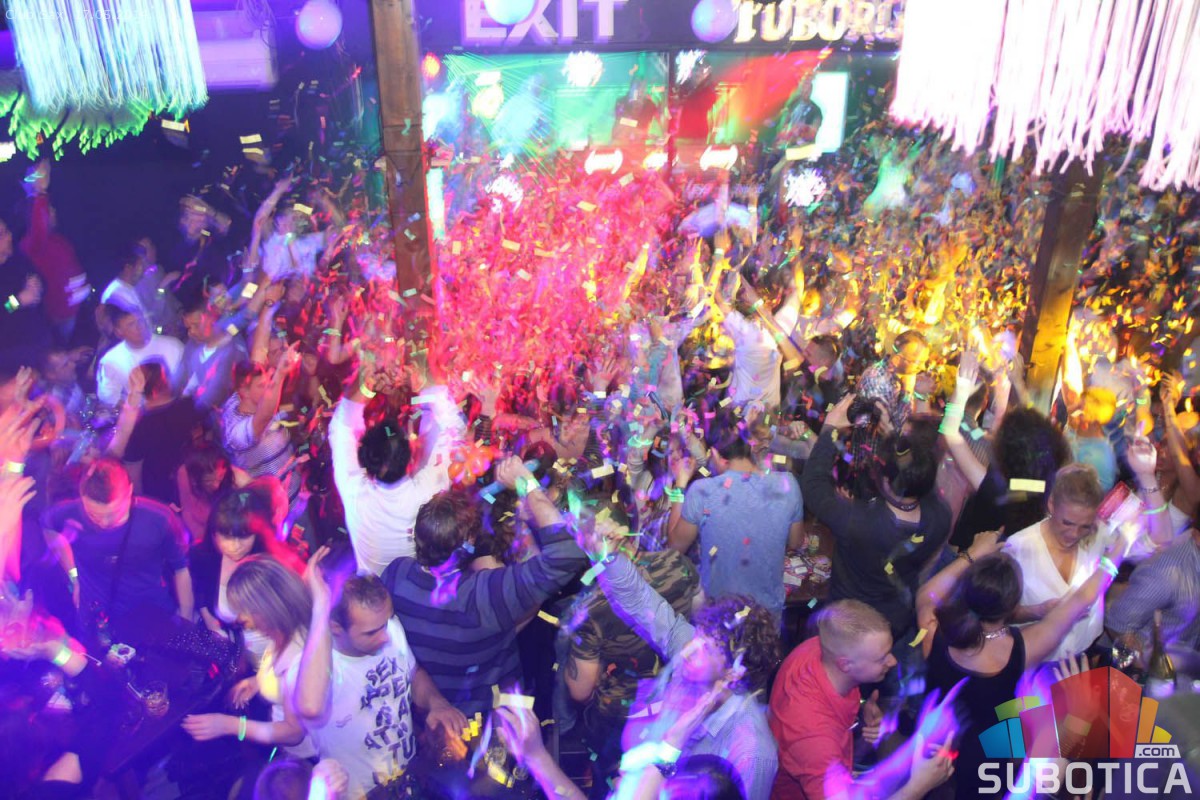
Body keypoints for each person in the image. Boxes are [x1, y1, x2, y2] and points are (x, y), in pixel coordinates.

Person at [916, 530, 1129, 798]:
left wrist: (974, 553)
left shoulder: (933, 628)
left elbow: (926, 594)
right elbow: (1081, 599)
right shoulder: (1023, 648)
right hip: (985, 761)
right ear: (1012, 605)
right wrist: (1116, 555)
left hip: (931, 746)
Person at [585, 520, 782, 800]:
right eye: (698, 634)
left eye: (707, 649)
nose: (689, 649)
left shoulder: (752, 751)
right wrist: (607, 556)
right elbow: (642, 602)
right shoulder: (691, 651)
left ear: (734, 673)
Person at [380, 458, 591, 716]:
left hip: (431, 716)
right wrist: (526, 482)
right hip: (491, 722)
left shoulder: (396, 575)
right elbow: (568, 554)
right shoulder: (483, 594)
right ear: (469, 541)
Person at [294, 546, 467, 799]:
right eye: (371, 632)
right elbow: (309, 707)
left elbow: (413, 673)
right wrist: (320, 606)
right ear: (335, 626)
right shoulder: (314, 668)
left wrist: (436, 702)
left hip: (410, 778)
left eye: (386, 622)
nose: (385, 636)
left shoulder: (389, 628)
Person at [563, 494, 700, 792]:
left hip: (621, 721)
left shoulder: (589, 607)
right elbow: (700, 618)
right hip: (677, 708)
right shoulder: (678, 563)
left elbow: (580, 690)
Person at [769, 599, 953, 800]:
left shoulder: (817, 648)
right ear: (845, 665)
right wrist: (918, 786)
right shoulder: (816, 742)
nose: (893, 661)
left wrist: (858, 706)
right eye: (881, 658)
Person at [801, 394, 950, 640]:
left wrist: (830, 428)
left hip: (849, 622)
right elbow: (918, 472)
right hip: (894, 619)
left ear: (885, 482)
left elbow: (813, 485)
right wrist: (893, 437)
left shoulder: (857, 521)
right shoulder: (940, 517)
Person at [328, 362, 465, 575]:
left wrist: (365, 385)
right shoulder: (428, 493)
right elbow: (453, 428)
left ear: (364, 458)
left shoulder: (352, 490)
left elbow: (341, 425)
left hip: (370, 590)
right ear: (409, 455)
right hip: (414, 586)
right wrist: (421, 383)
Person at [40, 458, 192, 646]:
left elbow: (181, 569)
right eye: (93, 515)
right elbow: (48, 526)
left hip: (150, 615)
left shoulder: (159, 518)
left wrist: (186, 619)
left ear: (129, 492)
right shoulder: (69, 512)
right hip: (96, 620)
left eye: (113, 514)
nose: (104, 523)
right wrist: (74, 575)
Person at [668, 422, 804, 620]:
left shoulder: (701, 490)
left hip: (719, 616)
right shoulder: (787, 484)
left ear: (716, 455)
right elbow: (796, 542)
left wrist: (680, 484)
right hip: (766, 614)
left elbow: (674, 546)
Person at [182, 556, 312, 753]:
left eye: (243, 610)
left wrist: (229, 725)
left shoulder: (297, 658)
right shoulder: (283, 631)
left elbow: (294, 733)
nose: (240, 619)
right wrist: (258, 681)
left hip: (304, 756)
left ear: (266, 606)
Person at [1002, 463, 1125, 660]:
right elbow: (997, 615)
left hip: (1084, 653)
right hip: (1036, 662)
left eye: (1084, 526)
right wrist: (1038, 611)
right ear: (1051, 504)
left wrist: (1147, 477)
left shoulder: (1100, 533)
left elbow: (1158, 541)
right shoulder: (1019, 547)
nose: (1074, 534)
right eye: (1067, 523)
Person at [189, 489, 300, 657]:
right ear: (214, 533)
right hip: (230, 653)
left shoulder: (272, 566)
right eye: (226, 536)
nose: (235, 546)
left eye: (244, 536)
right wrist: (211, 623)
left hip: (270, 652)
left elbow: (291, 620)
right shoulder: (204, 558)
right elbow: (200, 592)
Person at [106, 362, 205, 504]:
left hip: (158, 495)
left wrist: (142, 504)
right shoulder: (190, 405)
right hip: (192, 486)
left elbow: (133, 470)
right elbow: (203, 439)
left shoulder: (140, 426)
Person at [221, 349, 303, 508]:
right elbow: (264, 417)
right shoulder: (237, 432)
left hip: (298, 494)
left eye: (268, 382)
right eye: (261, 386)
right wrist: (279, 375)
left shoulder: (241, 398)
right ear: (244, 392)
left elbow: (257, 355)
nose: (268, 388)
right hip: (278, 509)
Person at [1107, 519, 1200, 657]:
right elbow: (1118, 624)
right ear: (1197, 537)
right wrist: (1147, 665)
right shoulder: (1167, 574)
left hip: (1187, 661)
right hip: (1153, 665)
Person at [18, 159, 88, 343]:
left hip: (79, 312)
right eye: (49, 210)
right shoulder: (34, 243)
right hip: (62, 319)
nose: (54, 212)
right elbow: (38, 225)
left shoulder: (58, 240)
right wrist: (40, 192)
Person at [94, 304, 184, 407]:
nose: (139, 327)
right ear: (118, 332)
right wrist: (135, 408)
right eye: (131, 324)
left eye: (141, 320)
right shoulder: (110, 360)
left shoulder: (173, 345)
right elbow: (108, 397)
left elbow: (190, 382)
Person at [178, 293, 249, 412]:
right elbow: (182, 382)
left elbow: (216, 396)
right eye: (188, 328)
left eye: (196, 325)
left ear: (211, 319)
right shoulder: (192, 347)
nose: (191, 332)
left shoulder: (233, 350)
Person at [99, 246, 147, 321]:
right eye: (141, 265)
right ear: (128, 268)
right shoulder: (116, 295)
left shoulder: (130, 288)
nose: (145, 269)